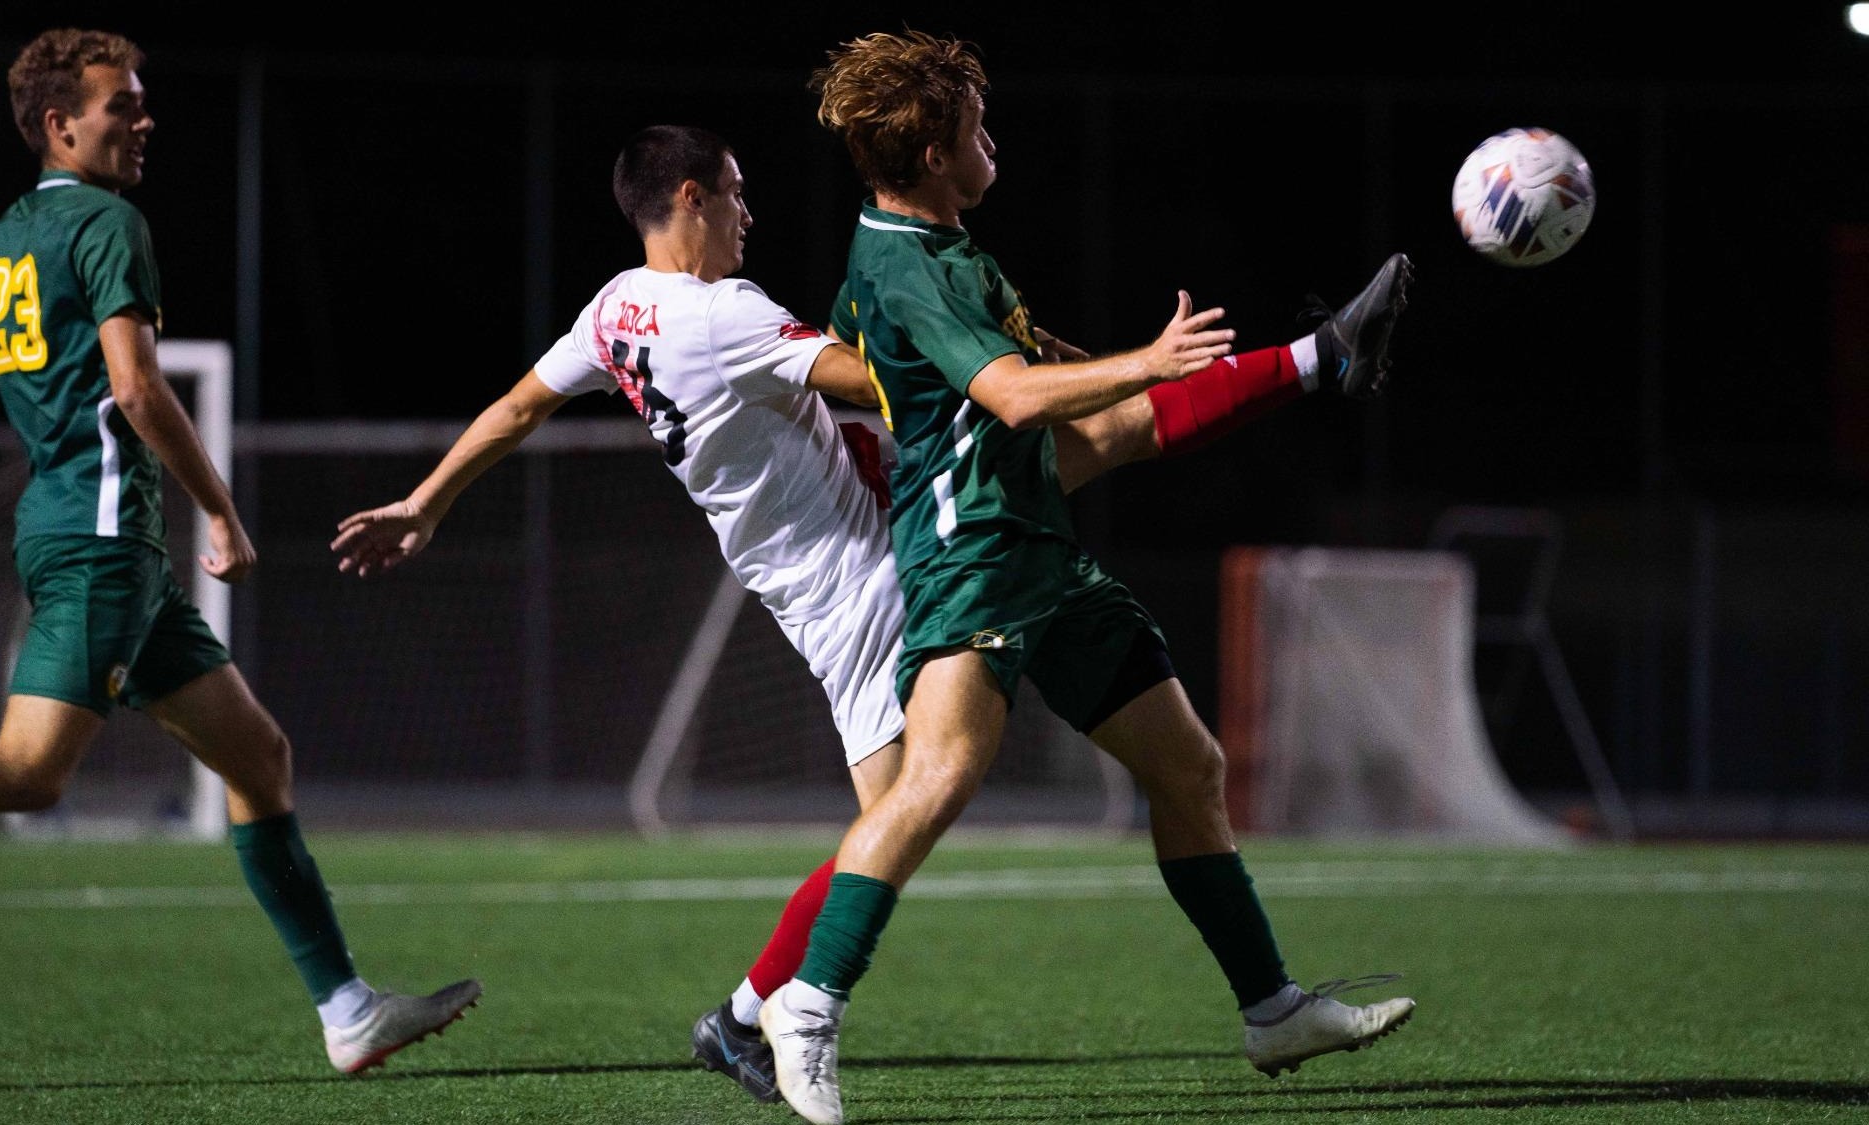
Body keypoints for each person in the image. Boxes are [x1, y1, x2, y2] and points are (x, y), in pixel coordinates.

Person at [334, 116, 1411, 1108]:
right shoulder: (722, 314)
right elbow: (886, 380)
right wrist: (992, 353)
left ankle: (1317, 358)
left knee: (1120, 626)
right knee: (912, 803)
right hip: (866, 578)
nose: (748, 213)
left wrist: (428, 504)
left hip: (863, 542)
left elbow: (519, 404)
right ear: (693, 198)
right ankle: (764, 1012)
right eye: (736, 193)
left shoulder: (615, 309)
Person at [755, 31, 1416, 1124]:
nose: (992, 142)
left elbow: (1033, 378)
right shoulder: (910, 265)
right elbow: (1014, 397)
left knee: (1187, 766)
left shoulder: (932, 250)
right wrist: (1141, 365)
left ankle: (1271, 1010)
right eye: (976, 129)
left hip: (1035, 549)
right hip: (972, 556)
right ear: (931, 153)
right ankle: (805, 1005)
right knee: (937, 777)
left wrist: (1127, 375)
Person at [0, 28, 480, 1075]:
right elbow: (138, 388)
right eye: (122, 105)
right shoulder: (108, 223)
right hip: (103, 540)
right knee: (28, 773)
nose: (144, 119)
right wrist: (222, 511)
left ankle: (347, 1009)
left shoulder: (12, 237)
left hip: (102, 546)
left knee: (259, 758)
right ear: (61, 126)